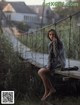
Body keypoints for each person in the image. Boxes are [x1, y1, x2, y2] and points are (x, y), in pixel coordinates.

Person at [38, 29, 66, 101]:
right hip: (53, 63)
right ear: (48, 36)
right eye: (50, 34)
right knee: (41, 71)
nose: (51, 36)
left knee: (40, 72)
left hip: (59, 63)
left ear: (56, 35)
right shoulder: (50, 43)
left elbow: (57, 55)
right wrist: (48, 65)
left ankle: (50, 89)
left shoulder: (60, 43)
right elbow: (50, 57)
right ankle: (48, 90)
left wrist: (55, 44)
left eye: (53, 34)